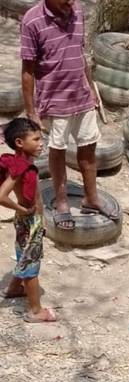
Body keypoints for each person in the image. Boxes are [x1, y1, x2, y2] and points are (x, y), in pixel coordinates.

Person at [20, 0, 117, 230]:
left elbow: (81, 55)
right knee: (58, 151)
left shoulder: (78, 12)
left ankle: (91, 198)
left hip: (81, 96)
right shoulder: (32, 20)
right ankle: (61, 201)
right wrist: (31, 111)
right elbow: (28, 71)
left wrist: (91, 89)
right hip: (54, 101)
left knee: (88, 147)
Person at [0, 117, 56, 323]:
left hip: (32, 220)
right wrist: (21, 208)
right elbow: (1, 196)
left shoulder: (23, 163)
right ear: (19, 143)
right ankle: (35, 311)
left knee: (25, 255)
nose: (41, 143)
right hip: (29, 220)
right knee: (31, 265)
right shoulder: (20, 167)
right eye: (36, 139)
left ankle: (14, 288)